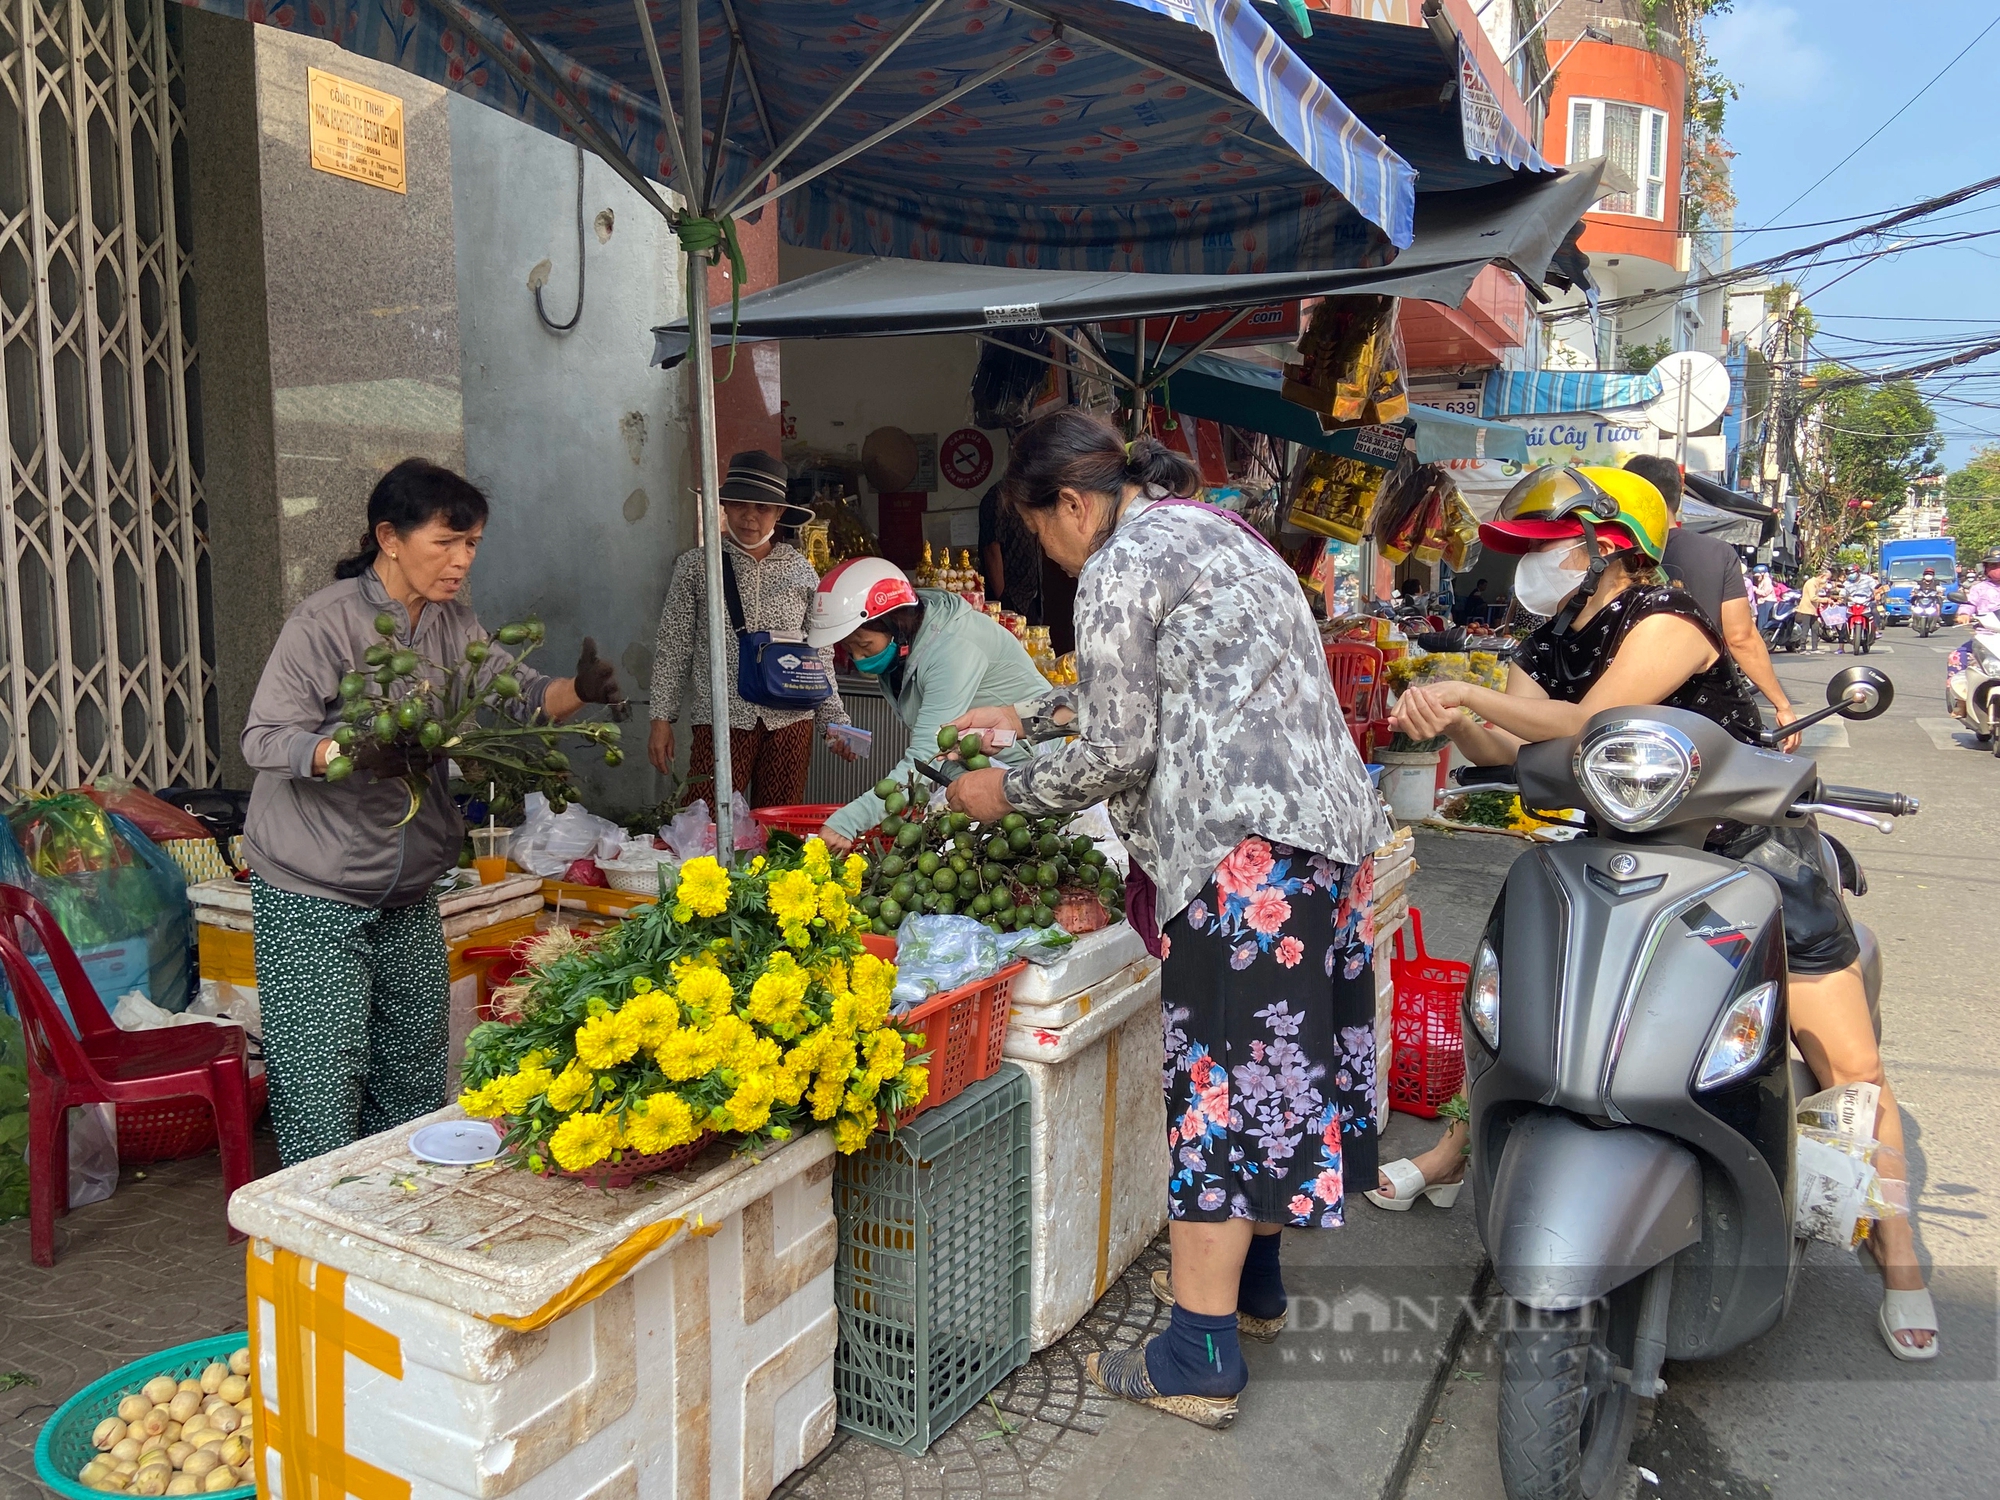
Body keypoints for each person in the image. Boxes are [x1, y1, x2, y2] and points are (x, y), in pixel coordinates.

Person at [1385, 464, 1937, 1358]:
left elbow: (1588, 719)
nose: (1536, 566)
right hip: (1621, 858)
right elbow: (1500, 741)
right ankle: (1463, 1149)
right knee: (1528, 1005)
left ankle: (1903, 1255)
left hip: (1744, 855)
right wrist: (1445, 714)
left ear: (1613, 548)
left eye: (1552, 546)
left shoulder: (1669, 621)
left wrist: (1466, 688)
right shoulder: (1555, 633)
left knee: (1847, 1063)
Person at [943, 409, 1389, 1427]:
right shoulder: (1214, 531)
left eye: (1039, 534)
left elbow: (1117, 753)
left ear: (1069, 502)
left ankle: (1198, 1352)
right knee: (1281, 1070)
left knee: (1222, 1090)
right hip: (1321, 841)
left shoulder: (1118, 561)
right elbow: (1158, 686)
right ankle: (1256, 1287)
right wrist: (1030, 716)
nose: (1048, 557)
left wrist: (1004, 789)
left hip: (1243, 863)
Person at [241, 460, 625, 1166]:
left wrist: (582, 689)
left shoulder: (452, 623)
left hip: (408, 885)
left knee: (415, 1085)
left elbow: (517, 696)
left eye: (472, 543)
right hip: (313, 889)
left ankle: (396, 1238)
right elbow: (263, 737)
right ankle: (325, 1252)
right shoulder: (324, 623)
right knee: (322, 1090)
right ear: (390, 537)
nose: (461, 561)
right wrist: (344, 753)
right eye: (446, 542)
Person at [648, 451, 855, 807]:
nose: (750, 516)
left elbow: (818, 653)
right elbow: (673, 646)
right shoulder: (697, 567)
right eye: (740, 504)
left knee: (779, 831)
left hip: (791, 722)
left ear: (778, 513)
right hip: (722, 719)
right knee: (708, 824)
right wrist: (660, 718)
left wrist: (833, 723)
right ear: (724, 505)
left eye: (762, 508)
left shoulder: (800, 571)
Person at [805, 556, 1048, 850]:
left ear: (896, 624)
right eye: (849, 648)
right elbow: (937, 755)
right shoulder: (903, 653)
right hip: (981, 777)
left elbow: (926, 753)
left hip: (1034, 773)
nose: (859, 659)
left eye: (864, 645)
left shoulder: (953, 648)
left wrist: (848, 822)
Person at [1626, 456, 1797, 747]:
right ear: (1678, 498)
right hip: (1702, 714)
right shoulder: (1717, 553)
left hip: (1620, 707)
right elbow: (1740, 638)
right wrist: (1782, 706)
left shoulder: (1606, 552)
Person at [978, 478, 1043, 621]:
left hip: (1033, 596)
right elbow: (991, 549)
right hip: (1010, 597)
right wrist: (1002, 598)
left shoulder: (1030, 494)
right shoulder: (998, 496)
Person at [1946, 548, 2000, 706]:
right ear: (1985, 568)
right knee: (1956, 657)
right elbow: (1969, 605)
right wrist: (1964, 614)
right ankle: (1960, 701)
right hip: (1985, 638)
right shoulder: (1979, 588)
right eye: (1992, 565)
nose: (1996, 569)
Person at [1750, 564, 1778, 632]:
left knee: (1762, 621)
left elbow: (1765, 592)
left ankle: (1762, 635)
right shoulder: (1761, 581)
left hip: (1767, 602)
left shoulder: (1767, 581)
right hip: (1762, 603)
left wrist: (1755, 590)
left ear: (1762, 574)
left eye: (1758, 576)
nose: (1757, 578)